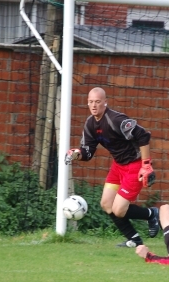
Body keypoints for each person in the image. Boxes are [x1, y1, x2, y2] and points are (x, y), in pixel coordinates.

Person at [65, 87, 159, 248]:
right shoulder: (90, 124)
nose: (94, 105)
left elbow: (143, 135)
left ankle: (151, 214)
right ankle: (135, 239)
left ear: (105, 103)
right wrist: (77, 154)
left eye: (98, 102)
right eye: (91, 102)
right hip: (118, 165)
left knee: (119, 210)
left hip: (135, 165)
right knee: (107, 204)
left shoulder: (116, 120)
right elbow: (88, 153)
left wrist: (146, 165)